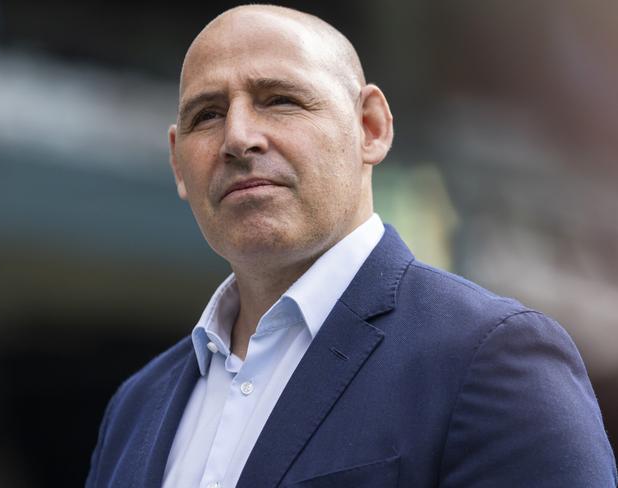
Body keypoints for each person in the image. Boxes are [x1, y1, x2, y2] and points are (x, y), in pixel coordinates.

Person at [86, 5, 617, 487]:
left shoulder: (492, 359)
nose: (238, 138)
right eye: (208, 114)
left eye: (280, 101)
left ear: (371, 126)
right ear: (179, 163)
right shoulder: (137, 408)